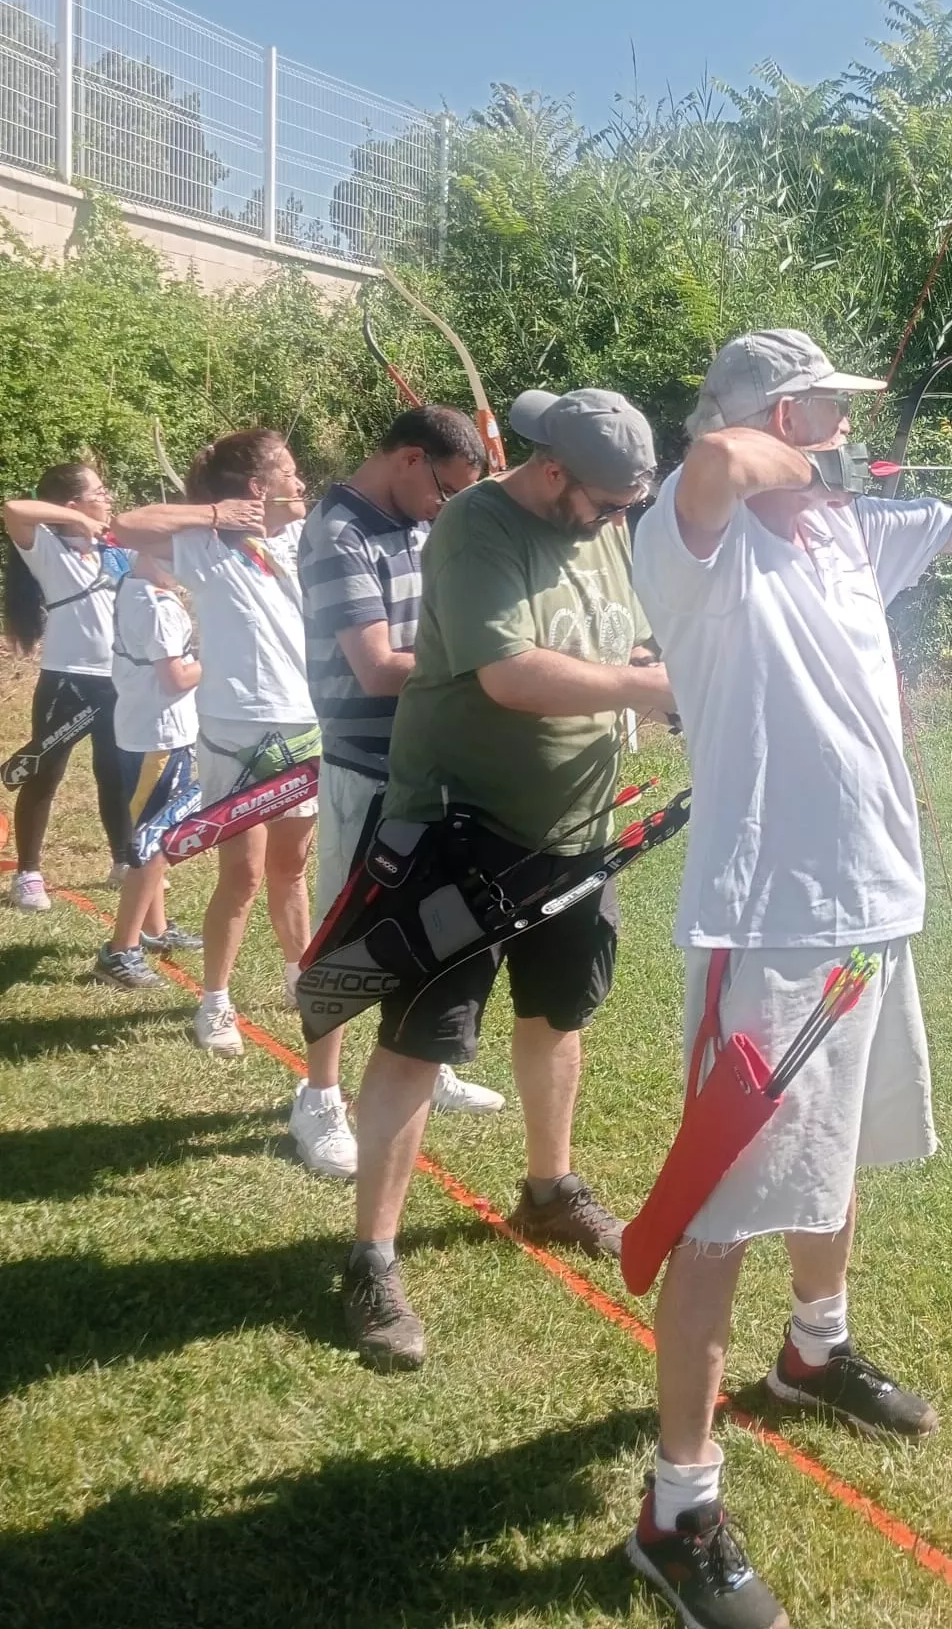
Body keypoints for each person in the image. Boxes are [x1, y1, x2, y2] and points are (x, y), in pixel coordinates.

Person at [627, 328, 952, 1629]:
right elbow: (715, 460)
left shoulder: (848, 539)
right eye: (827, 416)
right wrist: (807, 466)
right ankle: (677, 1509)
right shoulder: (698, 547)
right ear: (781, 420)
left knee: (837, 1152)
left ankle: (815, 1350)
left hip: (869, 906)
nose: (850, 434)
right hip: (768, 923)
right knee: (718, 1215)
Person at [339, 385, 672, 1371]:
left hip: (576, 826)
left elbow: (618, 641)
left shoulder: (604, 521)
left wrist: (662, 669)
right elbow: (511, 674)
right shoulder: (475, 528)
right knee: (419, 1041)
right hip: (459, 829)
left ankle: (548, 1190)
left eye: (628, 505)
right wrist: (653, 687)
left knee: (558, 1016)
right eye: (607, 502)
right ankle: (371, 1259)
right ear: (553, 469)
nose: (616, 520)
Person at [289, 403, 498, 1179]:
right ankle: (318, 1098)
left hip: (429, 759)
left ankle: (423, 1061)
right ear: (410, 459)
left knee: (437, 922)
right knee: (347, 936)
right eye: (446, 489)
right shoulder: (338, 532)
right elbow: (377, 668)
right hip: (366, 766)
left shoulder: (413, 522)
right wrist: (492, 663)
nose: (446, 508)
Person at [115, 431, 317, 1058]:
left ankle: (301, 978)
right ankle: (215, 1002)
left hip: (303, 725)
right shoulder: (204, 547)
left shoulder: (299, 538)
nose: (301, 482)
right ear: (258, 488)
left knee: (291, 868)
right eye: (289, 472)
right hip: (236, 730)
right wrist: (214, 513)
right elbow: (124, 527)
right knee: (243, 874)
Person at [3, 463, 135, 907]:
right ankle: (28, 874)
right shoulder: (47, 547)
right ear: (74, 504)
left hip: (118, 678)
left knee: (115, 772)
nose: (108, 497)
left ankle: (123, 860)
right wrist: (78, 520)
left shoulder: (111, 547)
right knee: (45, 773)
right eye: (100, 491)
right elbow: (14, 509)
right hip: (68, 678)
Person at [99, 548, 203, 988]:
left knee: (154, 832)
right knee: (153, 842)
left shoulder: (134, 585)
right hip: (158, 736)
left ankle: (155, 928)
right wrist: (216, 659)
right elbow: (175, 679)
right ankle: (120, 950)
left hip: (147, 730)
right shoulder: (158, 607)